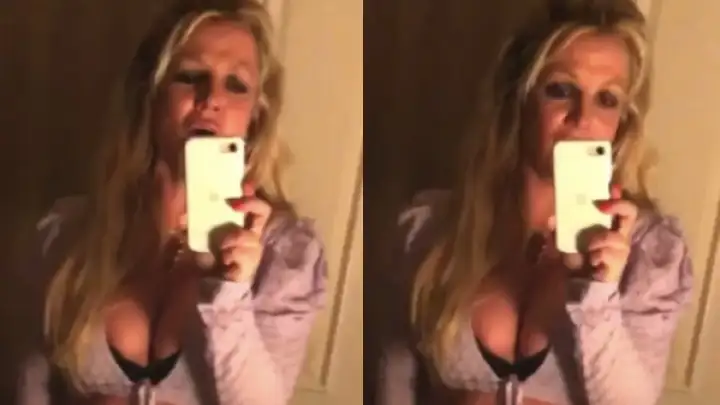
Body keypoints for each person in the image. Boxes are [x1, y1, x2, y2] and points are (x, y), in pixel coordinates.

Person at [376, 0, 693, 404]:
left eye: (607, 99)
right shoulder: (430, 231)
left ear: (622, 122)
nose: (583, 118)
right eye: (561, 90)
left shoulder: (649, 253)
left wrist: (598, 292)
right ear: (520, 98)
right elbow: (395, 385)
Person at [13, 0, 328, 404]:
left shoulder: (285, 256)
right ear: (153, 94)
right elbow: (29, 389)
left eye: (236, 85)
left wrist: (232, 293)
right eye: (190, 76)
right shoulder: (65, 238)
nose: (211, 99)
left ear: (255, 114)